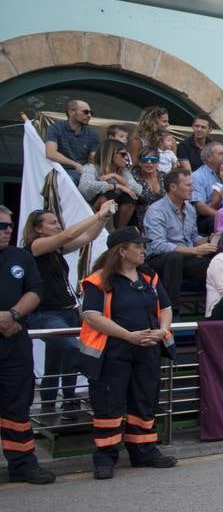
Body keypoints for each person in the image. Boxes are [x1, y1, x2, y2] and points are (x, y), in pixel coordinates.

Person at [77, 227, 178, 479]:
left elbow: (165, 308)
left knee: (145, 400)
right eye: (138, 246)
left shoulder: (148, 277)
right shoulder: (99, 279)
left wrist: (162, 330)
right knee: (109, 405)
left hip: (147, 349)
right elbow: (91, 315)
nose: (144, 250)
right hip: (114, 350)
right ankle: (105, 457)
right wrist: (128, 336)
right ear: (122, 251)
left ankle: (144, 451)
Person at [22, 203, 117, 423]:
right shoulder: (35, 246)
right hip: (45, 314)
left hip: (67, 311)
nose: (58, 226)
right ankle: (69, 400)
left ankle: (60, 404)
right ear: (38, 229)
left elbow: (86, 237)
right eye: (52, 222)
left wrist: (103, 219)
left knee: (56, 362)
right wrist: (98, 214)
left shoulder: (55, 249)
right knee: (75, 352)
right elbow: (69, 234)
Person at [1, 205, 58, 484]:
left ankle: (22, 463)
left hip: (14, 340)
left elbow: (35, 290)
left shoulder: (21, 257)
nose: (8, 230)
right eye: (2, 226)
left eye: (9, 225)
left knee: (17, 406)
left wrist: (13, 315)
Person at [143, 169, 215, 308]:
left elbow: (193, 237)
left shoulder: (189, 208)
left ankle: (215, 308)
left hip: (186, 257)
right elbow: (157, 245)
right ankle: (171, 309)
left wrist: (210, 240)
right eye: (188, 185)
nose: (192, 188)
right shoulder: (156, 210)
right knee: (174, 258)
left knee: (216, 263)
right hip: (159, 259)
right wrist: (194, 251)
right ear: (173, 187)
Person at [79, 141, 140, 229]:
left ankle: (119, 232)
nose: (126, 158)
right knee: (108, 198)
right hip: (92, 209)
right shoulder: (91, 168)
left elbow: (138, 190)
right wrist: (116, 186)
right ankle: (110, 232)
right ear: (110, 154)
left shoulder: (123, 172)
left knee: (130, 198)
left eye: (127, 155)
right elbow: (86, 186)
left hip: (116, 210)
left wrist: (115, 176)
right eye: (123, 154)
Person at [45, 98, 103, 185]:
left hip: (81, 173)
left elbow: (93, 158)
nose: (89, 115)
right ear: (71, 112)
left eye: (91, 113)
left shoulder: (93, 134)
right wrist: (76, 165)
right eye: (86, 112)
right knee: (68, 181)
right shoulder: (55, 128)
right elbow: (50, 153)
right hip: (57, 170)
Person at [190, 141, 223, 235]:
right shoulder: (197, 176)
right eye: (220, 154)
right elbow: (201, 208)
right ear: (209, 158)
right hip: (205, 218)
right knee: (216, 221)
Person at [130, 146, 167, 228]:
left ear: (158, 162)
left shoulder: (164, 177)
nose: (149, 162)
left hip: (163, 217)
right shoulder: (133, 176)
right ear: (139, 162)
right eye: (145, 160)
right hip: (140, 219)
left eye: (153, 160)